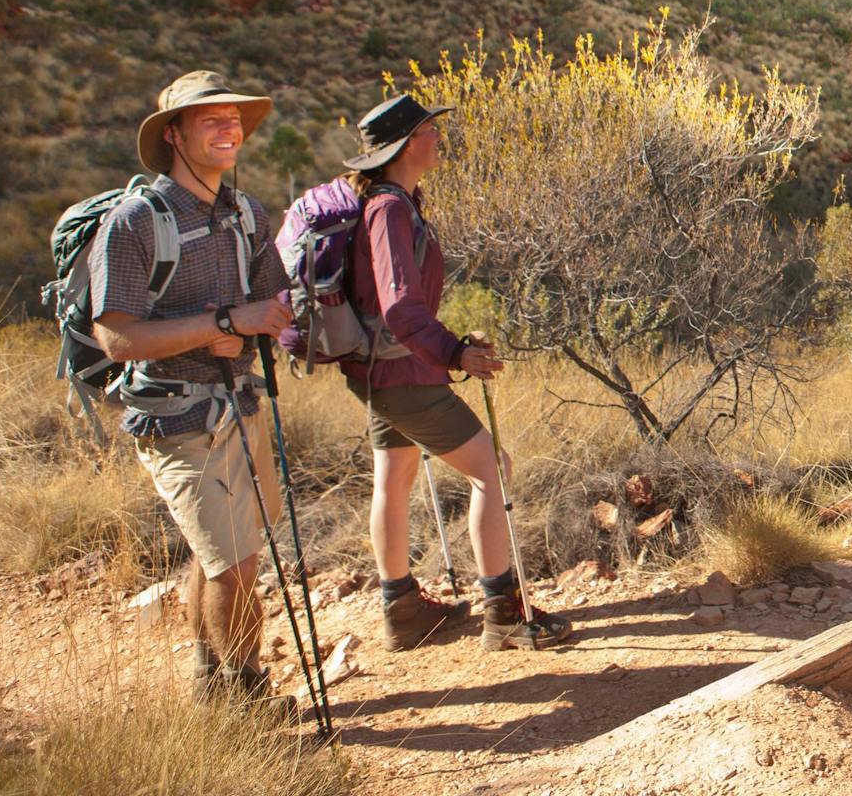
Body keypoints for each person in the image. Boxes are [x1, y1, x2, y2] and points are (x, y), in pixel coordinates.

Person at [89, 70, 296, 709]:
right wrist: (224, 324)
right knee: (232, 569)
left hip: (241, 404)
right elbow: (116, 338)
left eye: (234, 117)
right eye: (211, 119)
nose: (229, 127)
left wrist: (265, 320)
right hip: (178, 420)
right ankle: (247, 699)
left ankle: (211, 681)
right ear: (174, 135)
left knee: (229, 556)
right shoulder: (134, 223)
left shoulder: (246, 212)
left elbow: (271, 298)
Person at [336, 93, 571, 652]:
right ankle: (505, 614)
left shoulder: (391, 203)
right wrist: (453, 353)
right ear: (406, 145)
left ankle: (403, 612)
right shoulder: (391, 209)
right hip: (406, 372)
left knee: (393, 478)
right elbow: (399, 307)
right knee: (492, 469)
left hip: (378, 370)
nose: (438, 139)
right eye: (429, 132)